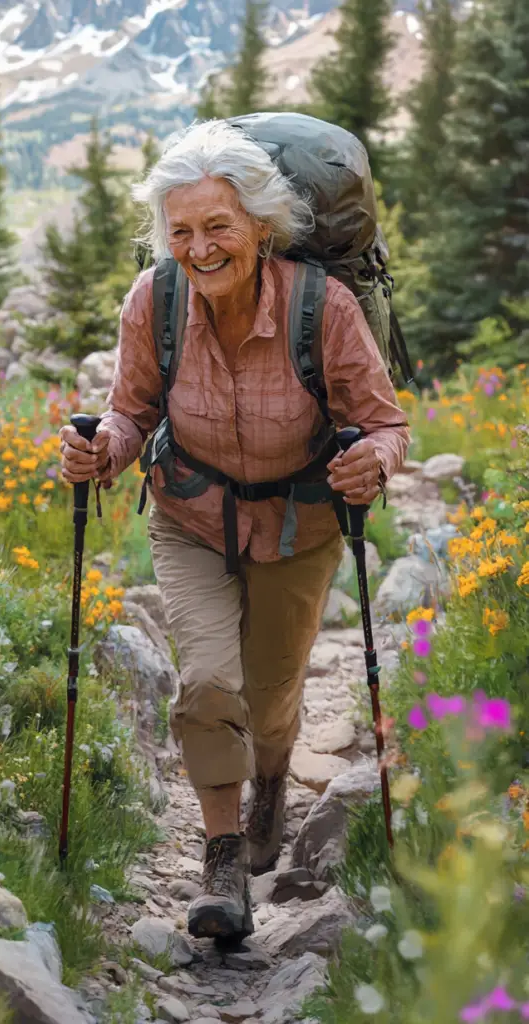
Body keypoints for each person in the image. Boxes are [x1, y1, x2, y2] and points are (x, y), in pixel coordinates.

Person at [60, 119, 410, 941]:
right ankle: (222, 860)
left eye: (218, 227)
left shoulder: (320, 307)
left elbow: (383, 422)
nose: (199, 247)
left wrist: (375, 462)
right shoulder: (156, 299)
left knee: (271, 698)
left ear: (259, 225)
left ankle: (271, 783)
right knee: (208, 686)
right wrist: (100, 450)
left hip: (301, 523)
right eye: (180, 230)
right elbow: (130, 409)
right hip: (190, 513)